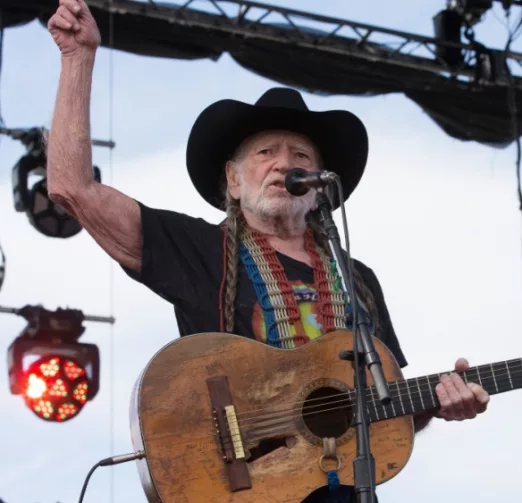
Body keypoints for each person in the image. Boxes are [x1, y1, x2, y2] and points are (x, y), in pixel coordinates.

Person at [46, 1, 490, 501]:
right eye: (265, 153)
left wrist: (440, 402)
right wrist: (77, 60)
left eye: (300, 156)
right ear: (233, 181)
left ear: (321, 187)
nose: (284, 164)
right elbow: (72, 188)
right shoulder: (200, 249)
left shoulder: (356, 276)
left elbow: (387, 409)